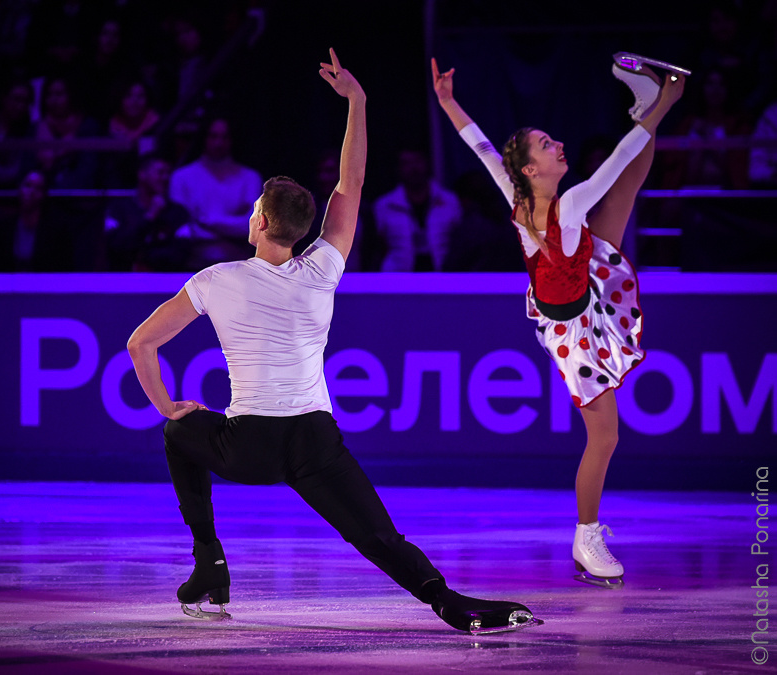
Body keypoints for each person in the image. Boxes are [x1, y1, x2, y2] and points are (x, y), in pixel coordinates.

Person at [127, 49, 540, 635]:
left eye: (253, 210)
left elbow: (141, 344)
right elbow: (353, 181)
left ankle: (209, 566)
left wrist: (169, 406)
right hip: (315, 439)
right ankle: (448, 602)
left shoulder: (215, 280)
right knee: (377, 535)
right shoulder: (324, 266)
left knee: (177, 433)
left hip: (249, 445)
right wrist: (358, 101)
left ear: (262, 224)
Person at [432, 55, 685, 587]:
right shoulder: (567, 205)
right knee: (605, 436)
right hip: (574, 334)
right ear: (529, 169)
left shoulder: (518, 189)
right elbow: (615, 158)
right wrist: (666, 106)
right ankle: (585, 535)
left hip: (583, 282)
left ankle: (640, 102)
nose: (559, 146)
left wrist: (449, 102)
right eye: (547, 146)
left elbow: (480, 147)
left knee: (626, 194)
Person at [168, 116, 262, 268]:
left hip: (238, 262)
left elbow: (252, 227)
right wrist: (231, 226)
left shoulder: (250, 178)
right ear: (204, 138)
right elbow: (182, 228)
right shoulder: (181, 177)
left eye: (224, 137)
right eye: (213, 136)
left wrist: (208, 221)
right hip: (192, 263)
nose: (218, 143)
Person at [373, 146, 461, 271]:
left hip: (443, 274)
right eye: (407, 163)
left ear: (427, 163)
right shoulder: (384, 205)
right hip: (398, 277)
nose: (414, 168)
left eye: (417, 161)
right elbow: (379, 245)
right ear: (398, 169)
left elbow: (458, 240)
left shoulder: (449, 200)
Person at [104, 154, 191, 271]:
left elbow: (180, 253)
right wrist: (149, 217)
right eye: (160, 173)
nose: (165, 178)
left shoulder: (178, 212)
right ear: (142, 174)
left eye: (168, 173)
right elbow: (115, 247)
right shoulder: (119, 209)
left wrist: (143, 257)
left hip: (164, 281)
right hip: (122, 279)